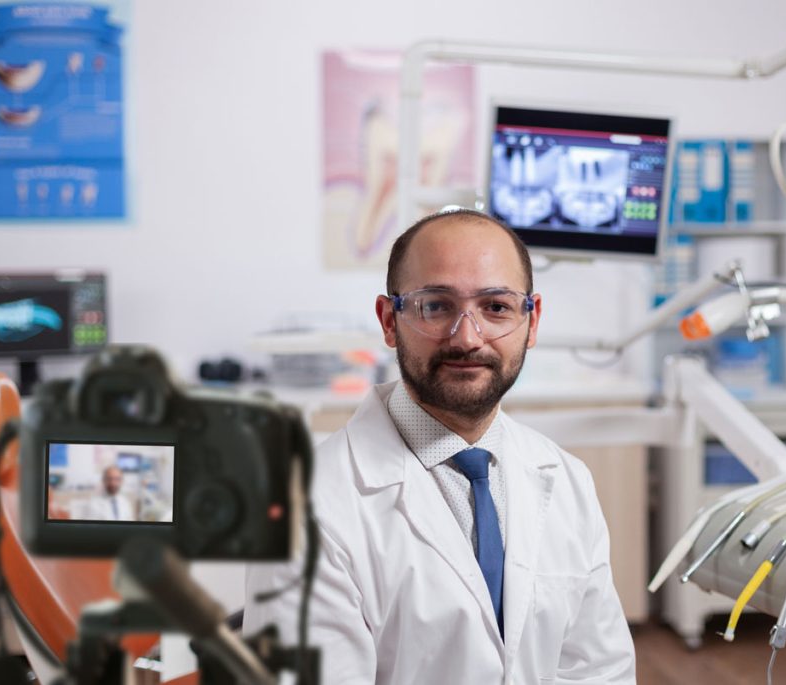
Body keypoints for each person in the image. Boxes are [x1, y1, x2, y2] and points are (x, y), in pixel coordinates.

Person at [245, 208, 635, 684]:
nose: (467, 338)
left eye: (496, 307)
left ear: (531, 322)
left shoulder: (567, 479)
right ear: (390, 321)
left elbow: (598, 670)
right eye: (436, 306)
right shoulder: (307, 506)